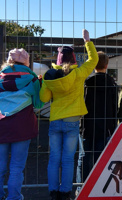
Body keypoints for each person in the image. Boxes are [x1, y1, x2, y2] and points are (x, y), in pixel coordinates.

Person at [40, 29, 98, 200]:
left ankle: (53, 191)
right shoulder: (79, 74)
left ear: (57, 61)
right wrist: (87, 41)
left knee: (54, 159)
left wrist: (45, 83)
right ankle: (65, 192)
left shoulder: (50, 77)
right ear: (73, 59)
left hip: (56, 120)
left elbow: (43, 98)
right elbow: (93, 60)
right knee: (68, 159)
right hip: (72, 121)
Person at [0, 48, 44, 200]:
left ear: (9, 61)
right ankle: (14, 197)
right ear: (26, 62)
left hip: (1, 128)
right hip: (22, 128)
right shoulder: (32, 80)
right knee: (17, 168)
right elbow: (38, 104)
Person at [76, 51, 118, 189]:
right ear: (107, 65)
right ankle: (99, 188)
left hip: (87, 125)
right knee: (101, 159)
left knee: (84, 158)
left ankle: (81, 187)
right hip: (105, 126)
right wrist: (112, 127)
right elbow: (114, 107)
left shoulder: (87, 82)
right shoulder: (112, 83)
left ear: (93, 63)